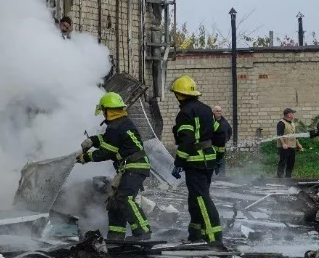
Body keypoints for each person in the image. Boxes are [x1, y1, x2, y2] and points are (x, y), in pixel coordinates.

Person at [77, 92, 152, 241]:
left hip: (135, 167)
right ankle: (115, 236)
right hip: (131, 167)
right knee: (114, 202)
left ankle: (143, 232)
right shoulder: (121, 123)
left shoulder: (116, 127)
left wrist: (85, 157)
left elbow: (106, 152)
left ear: (107, 110)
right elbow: (107, 139)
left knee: (125, 198)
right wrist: (92, 140)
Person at [169, 75, 223, 245]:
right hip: (209, 160)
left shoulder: (185, 113)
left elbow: (187, 140)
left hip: (195, 161)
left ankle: (214, 237)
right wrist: (220, 156)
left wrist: (179, 163)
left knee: (201, 198)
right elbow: (220, 133)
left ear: (179, 94)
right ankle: (195, 234)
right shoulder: (207, 109)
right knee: (195, 198)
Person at [276, 108, 303, 178]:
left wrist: (298, 144)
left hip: (292, 146)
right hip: (284, 147)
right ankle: (280, 177)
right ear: (288, 114)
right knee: (283, 162)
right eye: (292, 113)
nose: (293, 115)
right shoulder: (281, 123)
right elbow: (279, 135)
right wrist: (283, 144)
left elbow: (294, 135)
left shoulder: (292, 123)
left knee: (291, 162)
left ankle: (288, 177)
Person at [212, 106, 232, 177]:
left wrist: (227, 138)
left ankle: (222, 176)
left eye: (220, 111)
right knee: (213, 161)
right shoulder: (211, 121)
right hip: (213, 146)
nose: (219, 112)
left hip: (222, 147)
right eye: (217, 111)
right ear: (214, 112)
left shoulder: (224, 121)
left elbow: (230, 130)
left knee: (222, 161)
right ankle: (213, 177)